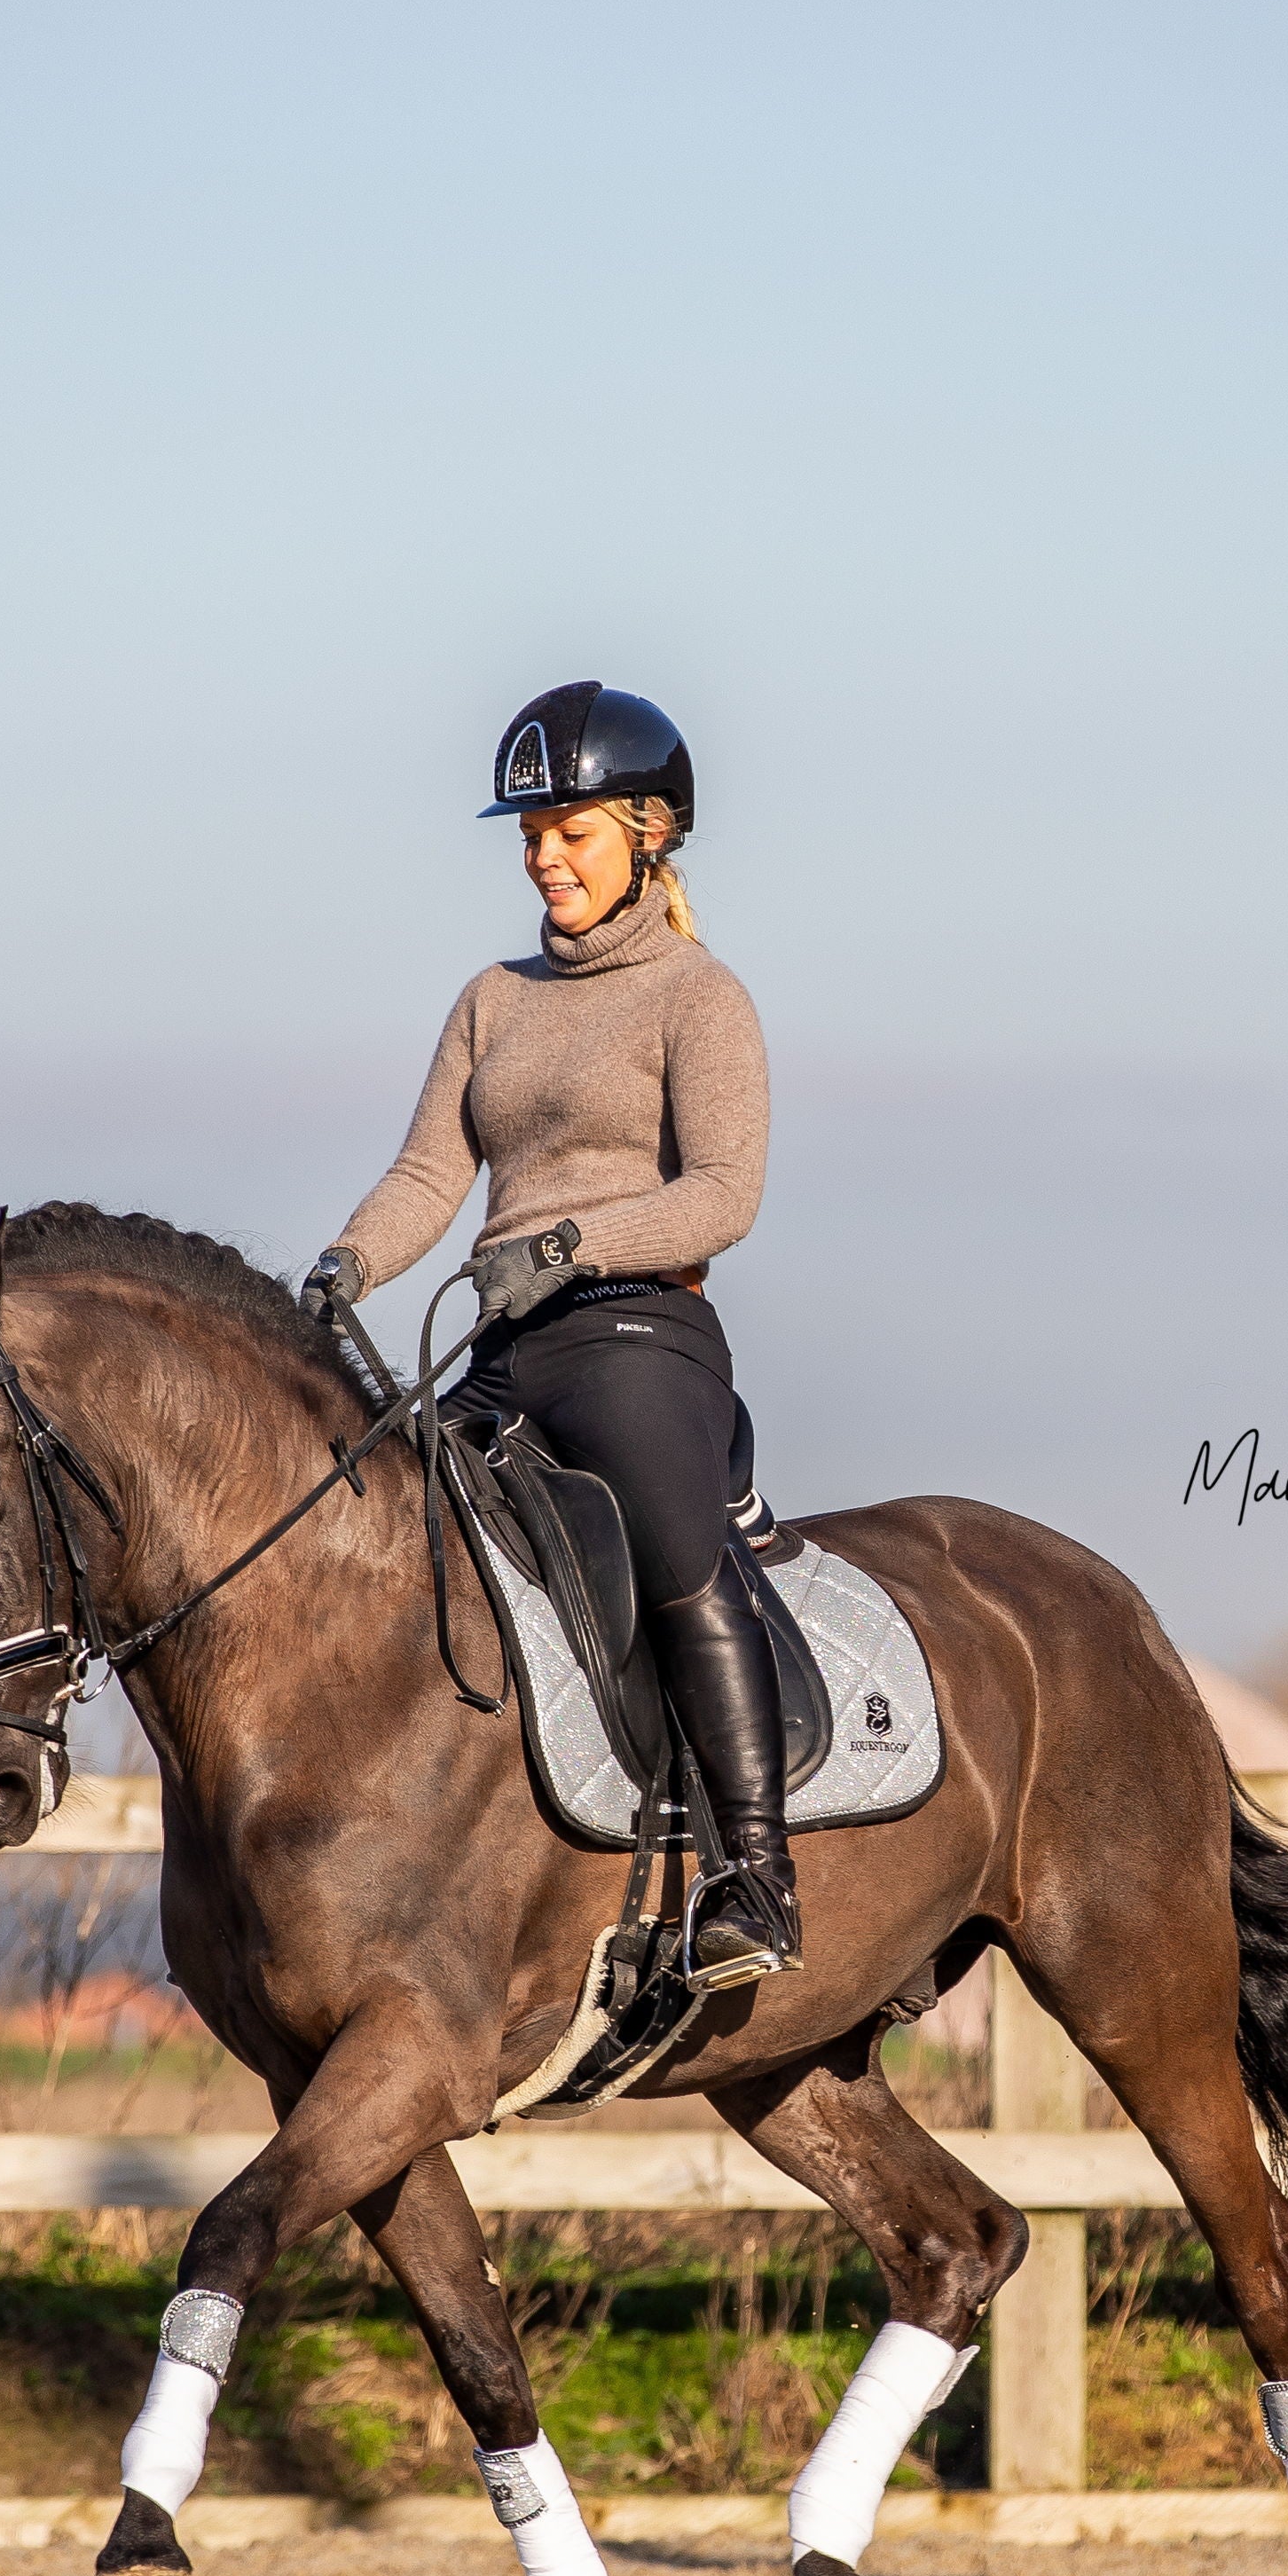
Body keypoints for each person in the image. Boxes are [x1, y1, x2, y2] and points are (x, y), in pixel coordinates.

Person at [300, 680, 797, 1987]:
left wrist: (573, 1244)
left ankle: (758, 1877)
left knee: (675, 1550)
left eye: (570, 830)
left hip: (638, 1335)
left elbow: (723, 1195)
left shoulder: (703, 997)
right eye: (529, 832)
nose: (542, 855)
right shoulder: (490, 999)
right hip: (503, 1347)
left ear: (649, 835)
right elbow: (426, 1177)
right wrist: (348, 1264)